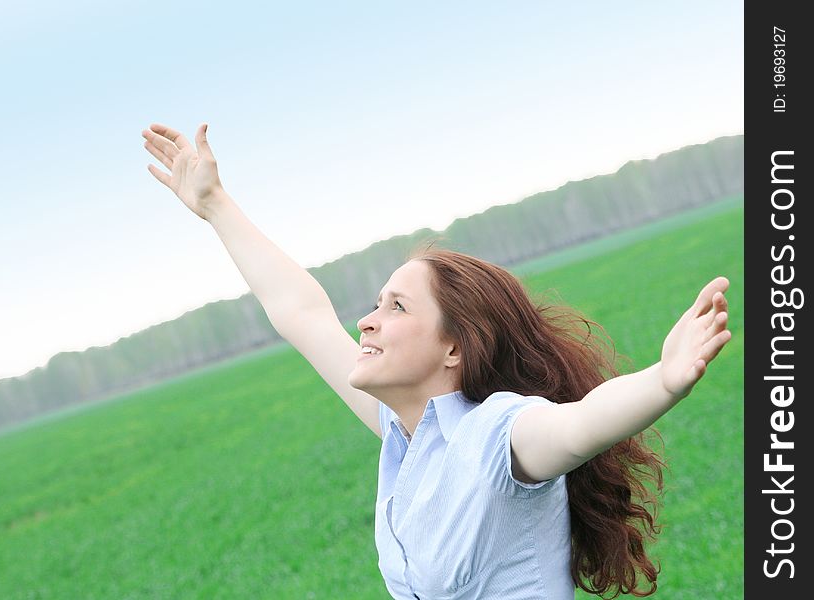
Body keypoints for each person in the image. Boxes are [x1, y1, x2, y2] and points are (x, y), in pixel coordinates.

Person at [142, 122, 732, 599]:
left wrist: (664, 379)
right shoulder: (403, 437)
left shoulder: (501, 434)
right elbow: (302, 314)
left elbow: (579, 424)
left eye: (396, 307)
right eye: (376, 303)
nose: (366, 321)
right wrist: (215, 205)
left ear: (455, 347)